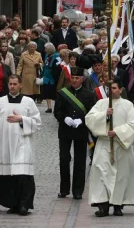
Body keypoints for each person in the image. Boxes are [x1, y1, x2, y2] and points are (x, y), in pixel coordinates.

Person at [85, 78, 134, 217]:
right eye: (110, 88)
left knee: (120, 176)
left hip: (121, 145)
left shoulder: (127, 105)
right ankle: (102, 205)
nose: (112, 91)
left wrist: (117, 132)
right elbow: (89, 119)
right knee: (102, 174)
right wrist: (104, 115)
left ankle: (117, 205)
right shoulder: (101, 103)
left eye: (115, 88)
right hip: (104, 144)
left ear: (120, 89)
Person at [0, 75, 41, 216]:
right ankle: (13, 204)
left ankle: (24, 205)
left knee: (23, 175)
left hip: (23, 143)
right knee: (9, 176)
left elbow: (37, 123)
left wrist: (22, 119)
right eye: (10, 84)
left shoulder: (28, 102)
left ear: (20, 85)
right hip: (5, 144)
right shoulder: (1, 101)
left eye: (15, 84)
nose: (12, 86)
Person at [54, 67, 97, 199]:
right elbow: (57, 111)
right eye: (72, 78)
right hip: (65, 131)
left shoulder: (89, 95)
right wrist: (64, 118)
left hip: (81, 131)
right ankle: (64, 189)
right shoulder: (62, 93)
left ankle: (78, 191)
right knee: (64, 159)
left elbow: (92, 113)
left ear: (82, 79)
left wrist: (82, 121)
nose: (74, 80)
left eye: (77, 78)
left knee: (80, 161)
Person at [42, 43, 60, 113]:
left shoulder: (57, 56)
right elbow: (44, 65)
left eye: (46, 48)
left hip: (53, 77)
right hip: (46, 76)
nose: (44, 50)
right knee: (47, 92)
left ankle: (56, 106)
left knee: (54, 93)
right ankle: (49, 107)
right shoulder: (46, 55)